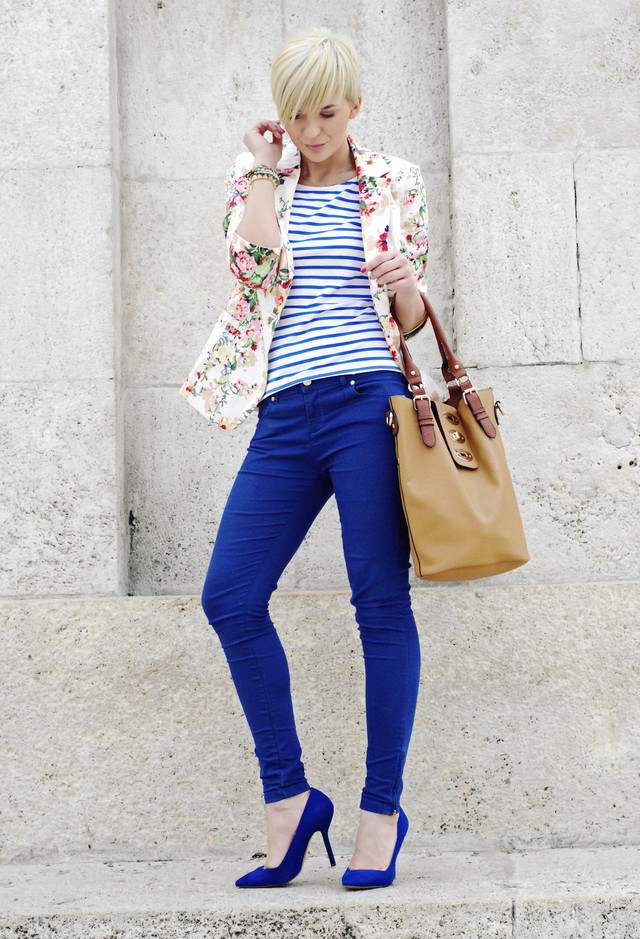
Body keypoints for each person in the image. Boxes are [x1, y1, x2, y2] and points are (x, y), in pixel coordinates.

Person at [181, 28, 433, 889]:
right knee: (230, 595)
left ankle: (380, 810)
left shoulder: (393, 182)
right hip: (285, 414)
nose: (313, 128)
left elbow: (406, 319)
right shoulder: (264, 185)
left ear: (354, 106)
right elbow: (251, 273)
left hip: (370, 405)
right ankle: (290, 801)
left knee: (378, 603)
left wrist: (404, 283)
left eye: (327, 112)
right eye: (297, 114)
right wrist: (258, 167)